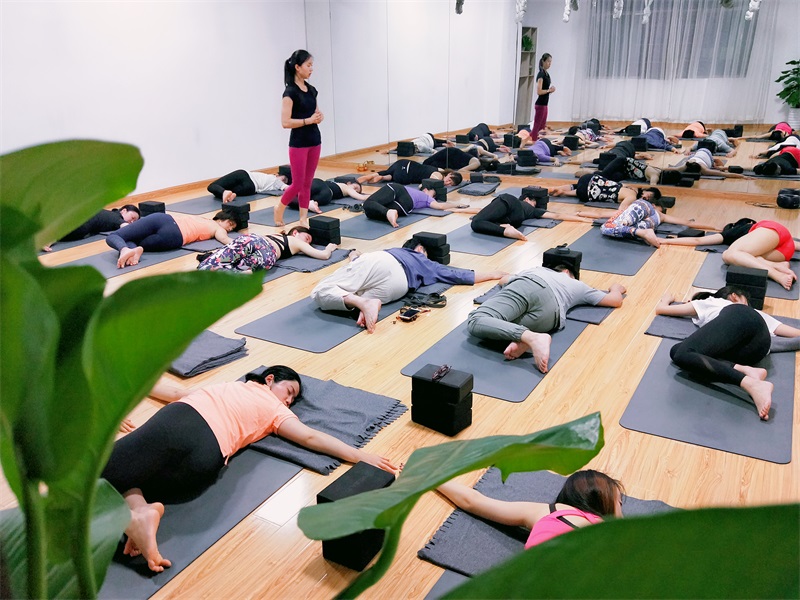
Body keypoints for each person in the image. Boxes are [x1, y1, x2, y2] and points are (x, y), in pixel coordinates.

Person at [102, 366, 399, 573]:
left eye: (293, 399)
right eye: (289, 391)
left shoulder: (233, 388)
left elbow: (178, 391)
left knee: (96, 468)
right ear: (269, 379)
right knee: (138, 475)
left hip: (181, 422)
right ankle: (139, 512)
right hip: (205, 461)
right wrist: (359, 454)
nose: (289, 401)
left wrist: (359, 455)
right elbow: (309, 437)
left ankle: (137, 514)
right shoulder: (272, 408)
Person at [655, 288, 800, 420]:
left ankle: (752, 384)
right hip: (757, 350)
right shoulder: (752, 312)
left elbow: (661, 309)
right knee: (677, 350)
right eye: (746, 300)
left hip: (743, 322)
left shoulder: (713, 302)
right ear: (734, 297)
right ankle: (747, 370)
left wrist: (667, 299)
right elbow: (793, 333)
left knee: (682, 352)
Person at [311, 240, 506, 333]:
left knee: (321, 290)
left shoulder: (399, 251)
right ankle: (363, 302)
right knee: (353, 291)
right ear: (420, 249)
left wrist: (354, 256)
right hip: (398, 287)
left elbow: (359, 266)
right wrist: (495, 274)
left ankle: (362, 303)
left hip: (382, 262)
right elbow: (459, 275)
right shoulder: (428, 264)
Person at [466, 265, 626, 372]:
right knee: (497, 326)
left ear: (563, 271)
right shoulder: (580, 286)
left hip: (528, 285)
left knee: (477, 319)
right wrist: (615, 288)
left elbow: (503, 280)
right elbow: (615, 300)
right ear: (568, 273)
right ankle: (524, 338)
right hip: (550, 317)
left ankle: (532, 337)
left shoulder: (538, 269)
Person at [437, 470, 623, 548]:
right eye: (619, 503)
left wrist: (430, 478)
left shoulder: (548, 512)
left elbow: (472, 501)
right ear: (604, 502)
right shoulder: (610, 532)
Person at [274, 49, 323, 228]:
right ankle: (279, 208)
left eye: (312, 65)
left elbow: (316, 112)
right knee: (297, 183)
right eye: (308, 65)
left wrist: (319, 117)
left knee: (307, 183)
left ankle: (303, 218)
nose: (311, 69)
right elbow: (285, 122)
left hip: (315, 140)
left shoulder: (312, 90)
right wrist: (307, 120)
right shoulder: (290, 92)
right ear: (297, 67)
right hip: (298, 143)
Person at [105, 210, 243, 268]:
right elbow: (225, 239)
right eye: (230, 223)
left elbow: (224, 237)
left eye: (233, 228)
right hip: (173, 236)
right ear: (221, 218)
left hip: (163, 220)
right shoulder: (217, 227)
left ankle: (125, 249)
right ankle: (129, 250)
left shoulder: (204, 220)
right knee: (128, 239)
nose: (229, 228)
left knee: (117, 236)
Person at [452, 192, 593, 240]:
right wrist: (581, 218)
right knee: (481, 221)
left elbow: (481, 210)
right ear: (527, 199)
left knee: (476, 222)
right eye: (534, 202)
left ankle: (506, 231)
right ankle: (504, 227)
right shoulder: (533, 211)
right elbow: (556, 215)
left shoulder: (517, 201)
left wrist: (581, 218)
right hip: (514, 219)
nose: (534, 204)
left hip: (508, 203)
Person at [196, 226, 337, 273]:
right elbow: (323, 255)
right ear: (295, 232)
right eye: (307, 238)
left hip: (251, 239)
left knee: (213, 263)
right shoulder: (295, 240)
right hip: (267, 251)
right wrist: (329, 248)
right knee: (246, 270)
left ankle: (209, 268)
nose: (308, 243)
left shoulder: (275, 234)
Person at [598, 199, 713, 248]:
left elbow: (601, 214)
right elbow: (688, 223)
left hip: (643, 209)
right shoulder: (662, 216)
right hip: (651, 224)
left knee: (606, 227)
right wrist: (716, 227)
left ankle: (642, 233)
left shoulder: (646, 206)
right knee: (613, 228)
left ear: (653, 205)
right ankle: (641, 232)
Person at [722, 220, 799, 290]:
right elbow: (790, 242)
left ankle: (777, 274)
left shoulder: (736, 230)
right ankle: (776, 265)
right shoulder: (748, 237)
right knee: (744, 257)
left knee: (727, 254)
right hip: (784, 248)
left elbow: (720, 237)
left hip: (774, 234)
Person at [362, 183, 465, 227]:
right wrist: (457, 205)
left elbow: (440, 206)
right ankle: (389, 213)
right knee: (369, 212)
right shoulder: (426, 199)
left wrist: (456, 204)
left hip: (399, 191)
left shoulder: (427, 197)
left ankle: (388, 212)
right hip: (405, 207)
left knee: (368, 203)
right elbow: (440, 206)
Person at [45, 205, 141, 251]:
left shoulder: (109, 213)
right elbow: (127, 228)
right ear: (123, 211)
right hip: (83, 225)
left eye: (135, 221)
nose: (132, 222)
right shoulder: (117, 218)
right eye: (132, 217)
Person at [549, 173, 661, 206]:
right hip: (586, 192)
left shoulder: (631, 188)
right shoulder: (632, 196)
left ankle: (560, 190)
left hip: (589, 178)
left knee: (580, 187)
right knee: (587, 192)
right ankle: (564, 192)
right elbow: (622, 209)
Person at [358, 159, 463, 187]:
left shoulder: (440, 170)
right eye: (449, 180)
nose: (447, 183)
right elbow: (428, 183)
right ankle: (382, 177)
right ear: (449, 174)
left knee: (388, 173)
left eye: (450, 184)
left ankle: (378, 176)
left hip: (402, 163)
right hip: (405, 175)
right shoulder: (438, 176)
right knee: (396, 177)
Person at [658, 217, 756, 247]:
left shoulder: (730, 234)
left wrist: (665, 241)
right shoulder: (732, 233)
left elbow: (698, 241)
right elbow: (697, 241)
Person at [287, 178, 370, 213]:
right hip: (325, 194)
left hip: (324, 190)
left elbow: (361, 197)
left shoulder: (346, 188)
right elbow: (362, 197)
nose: (355, 191)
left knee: (291, 196)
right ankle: (310, 203)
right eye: (355, 187)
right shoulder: (346, 186)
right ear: (349, 183)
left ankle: (308, 203)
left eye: (357, 191)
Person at [664, 148, 749, 180]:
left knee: (718, 167)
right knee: (719, 168)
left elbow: (724, 174)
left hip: (707, 154)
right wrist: (657, 169)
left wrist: (742, 176)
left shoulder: (704, 170)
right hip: (695, 155)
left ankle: (717, 164)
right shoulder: (686, 165)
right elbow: (669, 169)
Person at [207, 170, 287, 204]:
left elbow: (287, 187)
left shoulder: (274, 179)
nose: (282, 180)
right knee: (217, 193)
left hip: (244, 175)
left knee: (212, 186)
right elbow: (287, 188)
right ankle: (227, 194)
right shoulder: (275, 183)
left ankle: (224, 192)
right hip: (250, 189)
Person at [423, 144, 497, 172]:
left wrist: (494, 157)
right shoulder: (476, 163)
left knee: (432, 166)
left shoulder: (476, 161)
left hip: (452, 162)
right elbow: (461, 170)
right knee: (426, 162)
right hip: (451, 153)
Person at [532, 53, 554, 138]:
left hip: (545, 104)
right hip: (540, 104)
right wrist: (549, 90)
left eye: (550, 62)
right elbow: (539, 91)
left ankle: (531, 140)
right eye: (548, 61)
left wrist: (550, 90)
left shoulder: (546, 74)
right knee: (537, 126)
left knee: (542, 127)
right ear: (543, 62)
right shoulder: (541, 74)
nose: (549, 63)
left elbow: (545, 90)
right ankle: (533, 142)